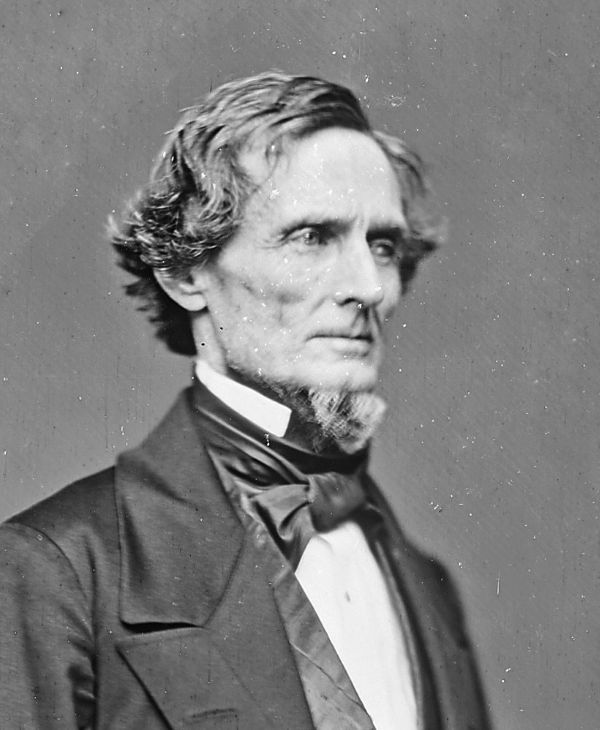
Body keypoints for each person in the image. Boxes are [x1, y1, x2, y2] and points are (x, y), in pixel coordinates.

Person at [0, 71, 491, 729]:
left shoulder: (426, 586)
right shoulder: (58, 571)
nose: (370, 287)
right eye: (312, 236)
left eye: (383, 246)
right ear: (186, 271)